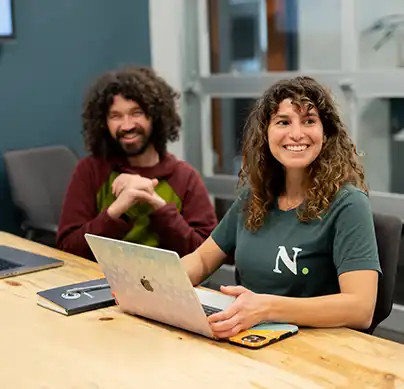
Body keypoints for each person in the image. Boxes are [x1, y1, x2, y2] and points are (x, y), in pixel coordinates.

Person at [182, 76, 381, 339]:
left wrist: (266, 308)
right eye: (283, 122)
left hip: (316, 349)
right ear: (266, 134)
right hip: (250, 336)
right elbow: (203, 258)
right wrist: (161, 284)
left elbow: (360, 308)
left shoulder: (349, 204)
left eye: (309, 121)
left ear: (326, 133)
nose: (296, 133)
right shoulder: (255, 195)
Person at [56, 66, 217, 260]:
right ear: (103, 123)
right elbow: (67, 248)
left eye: (136, 113)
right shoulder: (90, 170)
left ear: (156, 116)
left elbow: (206, 256)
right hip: (100, 284)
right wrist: (116, 210)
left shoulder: (185, 177)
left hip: (167, 287)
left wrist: (156, 204)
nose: (127, 125)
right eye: (116, 116)